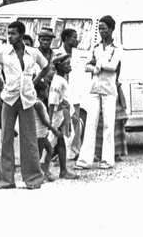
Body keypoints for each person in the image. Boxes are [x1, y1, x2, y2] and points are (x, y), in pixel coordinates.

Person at [0, 21, 50, 190]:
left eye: (13, 33)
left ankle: (33, 179)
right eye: (9, 33)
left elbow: (46, 67)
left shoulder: (33, 53)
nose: (10, 37)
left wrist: (33, 83)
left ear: (21, 34)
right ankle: (6, 180)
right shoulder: (2, 52)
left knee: (29, 140)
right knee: (6, 138)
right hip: (9, 98)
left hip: (27, 99)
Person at [76, 15, 121, 170]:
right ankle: (84, 161)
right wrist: (97, 67)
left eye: (104, 28)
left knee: (109, 124)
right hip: (95, 88)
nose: (102, 31)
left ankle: (107, 160)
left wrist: (98, 64)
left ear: (111, 29)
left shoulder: (116, 48)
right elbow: (87, 65)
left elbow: (113, 66)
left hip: (109, 89)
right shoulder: (96, 47)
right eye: (100, 28)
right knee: (90, 123)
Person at [48, 54, 79, 180]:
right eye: (67, 64)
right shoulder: (57, 82)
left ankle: (63, 170)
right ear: (59, 67)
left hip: (63, 116)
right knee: (51, 143)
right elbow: (52, 103)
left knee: (61, 143)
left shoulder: (62, 79)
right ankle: (41, 168)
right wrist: (49, 122)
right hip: (58, 117)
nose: (70, 66)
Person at [55, 28, 84, 159]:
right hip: (63, 94)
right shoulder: (57, 54)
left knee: (76, 121)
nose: (76, 40)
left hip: (75, 92)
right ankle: (61, 151)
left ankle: (75, 150)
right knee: (63, 122)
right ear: (66, 39)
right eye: (73, 37)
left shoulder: (78, 54)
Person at [34, 82, 63, 182]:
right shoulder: (37, 104)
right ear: (41, 92)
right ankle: (38, 174)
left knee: (50, 150)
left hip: (42, 133)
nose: (47, 93)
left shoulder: (39, 102)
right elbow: (43, 121)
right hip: (39, 134)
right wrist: (54, 130)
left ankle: (45, 171)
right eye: (46, 91)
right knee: (40, 154)